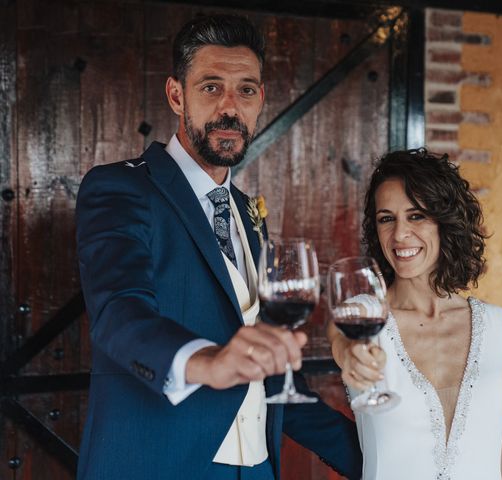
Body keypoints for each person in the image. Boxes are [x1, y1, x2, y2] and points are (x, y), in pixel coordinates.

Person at [75, 14, 361, 480]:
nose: (231, 107)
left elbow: (274, 382)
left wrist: (383, 463)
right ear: (175, 94)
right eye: (211, 87)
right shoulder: (120, 189)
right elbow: (119, 312)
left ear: (261, 99)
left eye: (246, 90)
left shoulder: (251, 218)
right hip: (158, 466)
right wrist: (206, 361)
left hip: (258, 469)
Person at [328, 148, 502, 479]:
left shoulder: (501, 328)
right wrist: (351, 354)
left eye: (416, 215)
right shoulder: (362, 315)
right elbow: (341, 339)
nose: (399, 234)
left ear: (445, 222)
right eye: (386, 219)